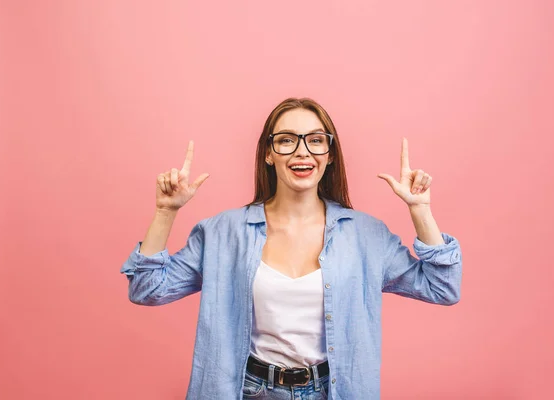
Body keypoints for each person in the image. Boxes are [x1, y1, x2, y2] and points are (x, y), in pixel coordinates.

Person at [120, 97, 463, 400]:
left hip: (334, 390)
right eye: (287, 140)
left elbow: (442, 287)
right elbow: (147, 289)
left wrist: (420, 210)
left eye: (315, 141)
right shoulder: (223, 233)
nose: (302, 151)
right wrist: (166, 212)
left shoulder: (366, 236)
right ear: (268, 154)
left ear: (329, 155)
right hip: (248, 390)